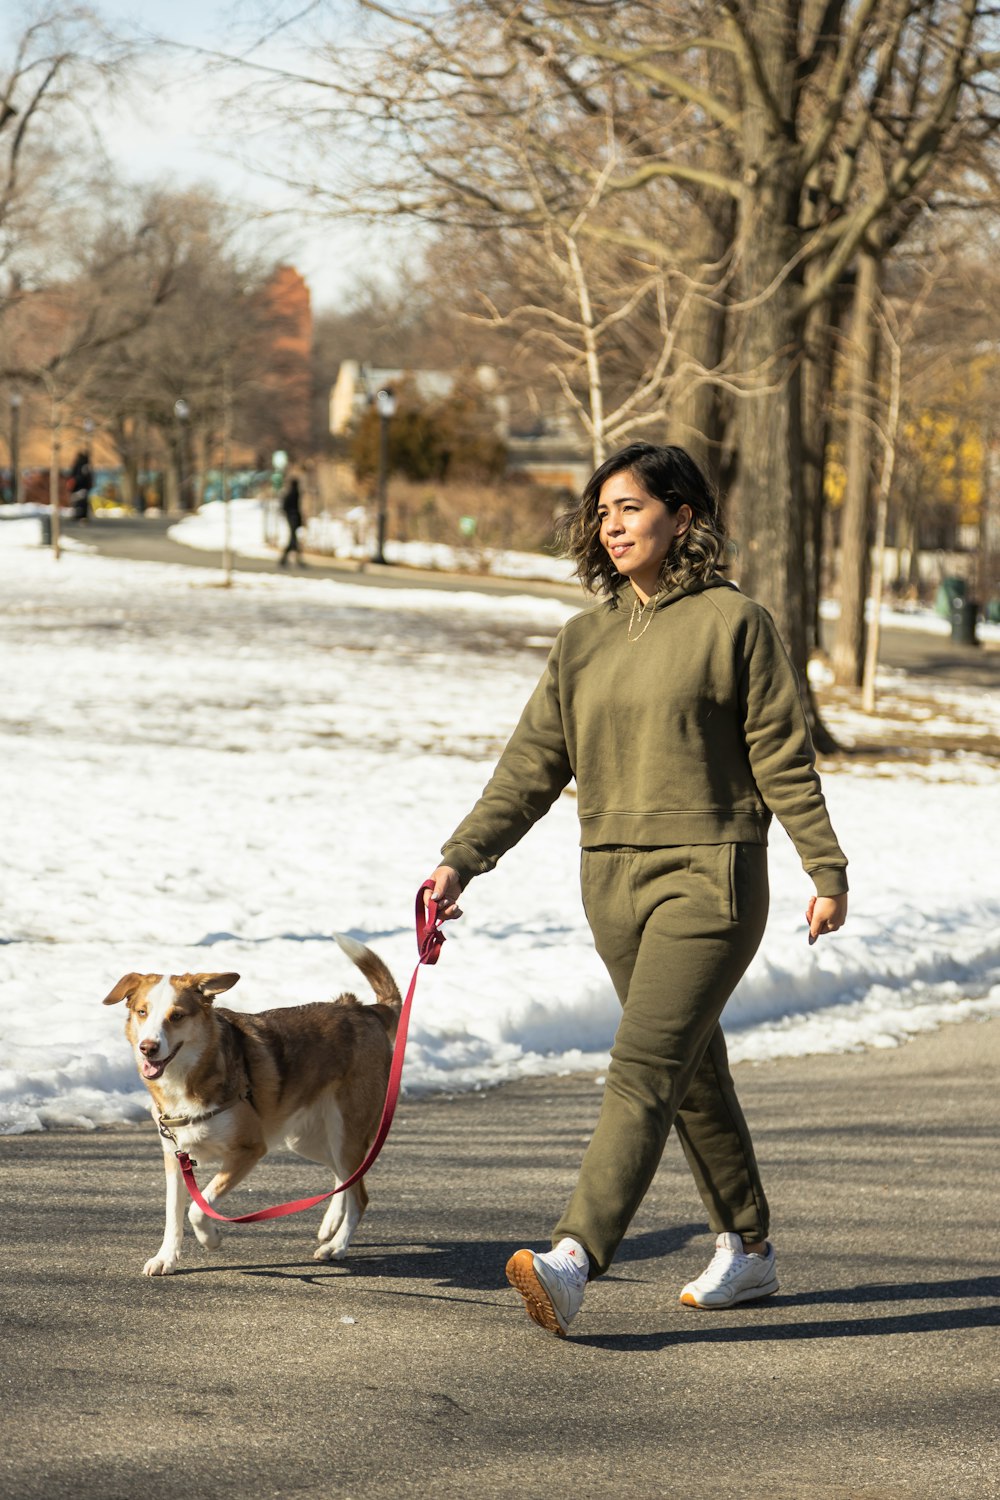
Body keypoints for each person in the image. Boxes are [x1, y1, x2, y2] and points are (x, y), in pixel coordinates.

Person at [424, 441, 848, 1337]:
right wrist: (461, 858)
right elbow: (532, 765)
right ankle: (751, 1251)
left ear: (681, 518)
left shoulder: (736, 623)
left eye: (630, 508)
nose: (610, 526)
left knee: (643, 1065)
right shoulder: (583, 640)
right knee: (688, 1068)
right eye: (601, 511)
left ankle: (574, 1257)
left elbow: (781, 752)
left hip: (712, 876)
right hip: (611, 879)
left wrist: (824, 868)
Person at [279, 474, 305, 567]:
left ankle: (291, 559)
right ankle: (287, 559)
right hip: (292, 518)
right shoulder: (293, 494)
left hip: (292, 518)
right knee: (293, 540)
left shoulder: (292, 493)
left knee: (293, 540)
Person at [70, 450, 93, 521]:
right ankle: (80, 515)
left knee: (79, 502)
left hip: (79, 487)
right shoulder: (84, 466)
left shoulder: (81, 466)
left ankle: (80, 516)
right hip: (81, 487)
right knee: (81, 502)